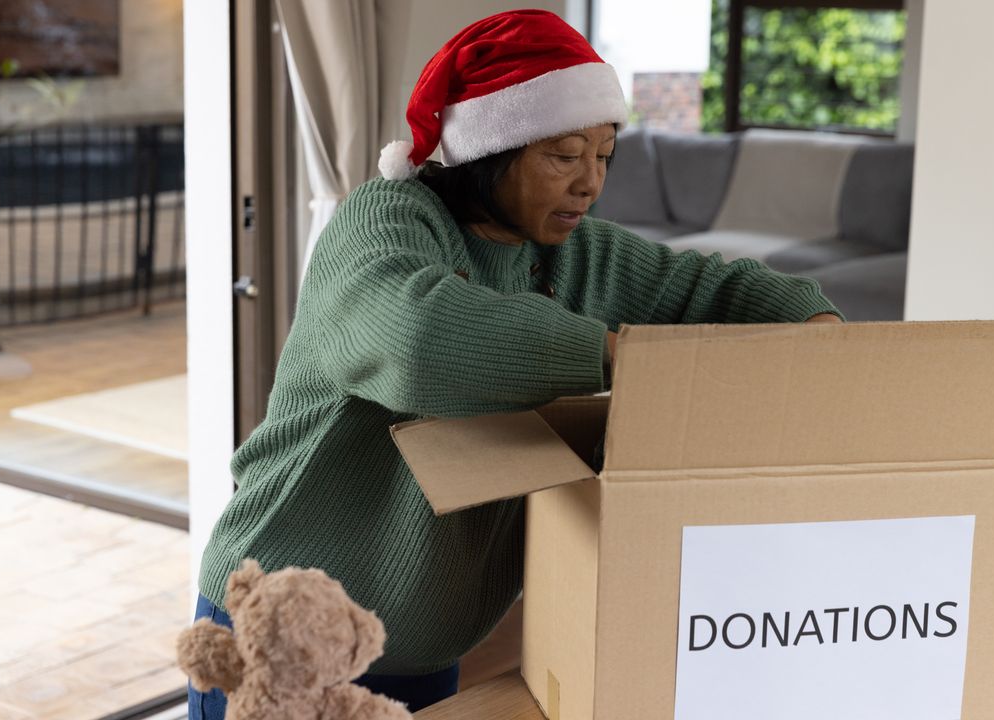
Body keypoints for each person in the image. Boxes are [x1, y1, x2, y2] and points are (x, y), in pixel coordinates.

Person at [188, 8, 842, 718]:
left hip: (424, 652)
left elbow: (716, 289)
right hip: (281, 630)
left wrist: (819, 331)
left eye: (604, 155)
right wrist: (612, 355)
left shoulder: (580, 253)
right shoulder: (382, 220)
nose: (590, 183)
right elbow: (413, 338)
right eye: (564, 155)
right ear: (490, 148)